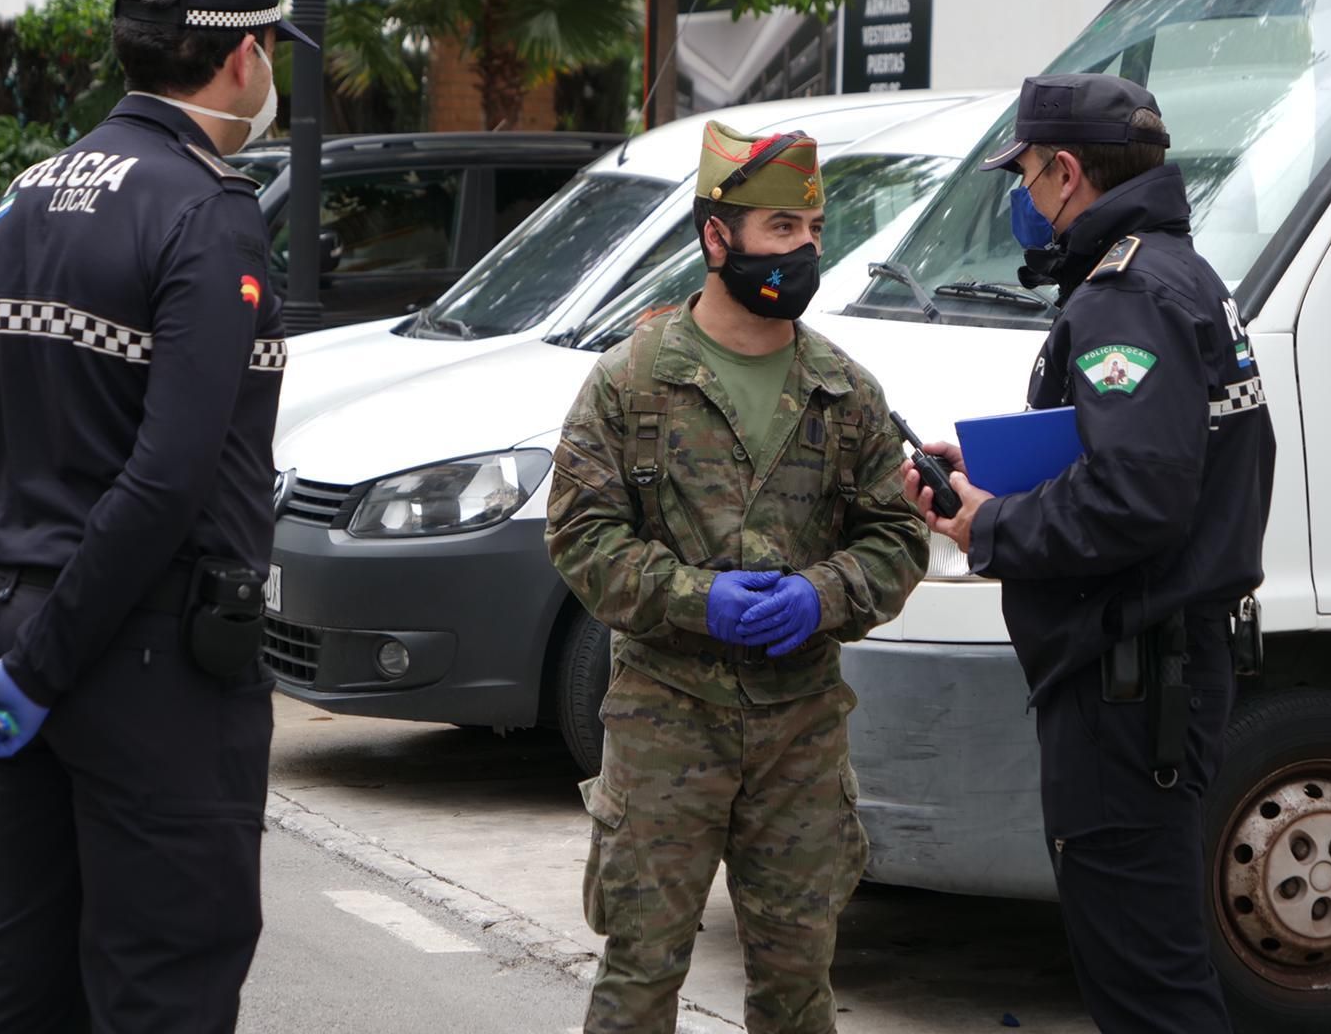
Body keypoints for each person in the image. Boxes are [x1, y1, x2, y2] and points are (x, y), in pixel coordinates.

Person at [0, 0, 314, 1032]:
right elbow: (168, 479)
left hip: (20, 647)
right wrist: (32, 669)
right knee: (162, 988)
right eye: (271, 48)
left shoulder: (22, 200)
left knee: (24, 985)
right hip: (152, 666)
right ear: (242, 57)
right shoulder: (207, 210)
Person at [904, 74, 1276, 1033]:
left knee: (1147, 987)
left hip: (1129, 689)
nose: (1023, 197)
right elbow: (1151, 461)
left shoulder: (1127, 295)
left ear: (1066, 172)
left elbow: (1135, 498)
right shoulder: (1180, 273)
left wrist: (988, 525)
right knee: (1156, 960)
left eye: (1025, 174)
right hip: (1158, 672)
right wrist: (998, 475)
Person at [546, 121, 929, 1034]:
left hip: (800, 734)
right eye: (780, 232)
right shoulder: (632, 383)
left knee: (798, 989)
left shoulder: (845, 391)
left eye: (812, 232)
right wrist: (697, 599)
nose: (803, 252)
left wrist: (822, 596)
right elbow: (580, 537)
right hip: (664, 725)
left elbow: (896, 539)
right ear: (717, 237)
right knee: (639, 978)